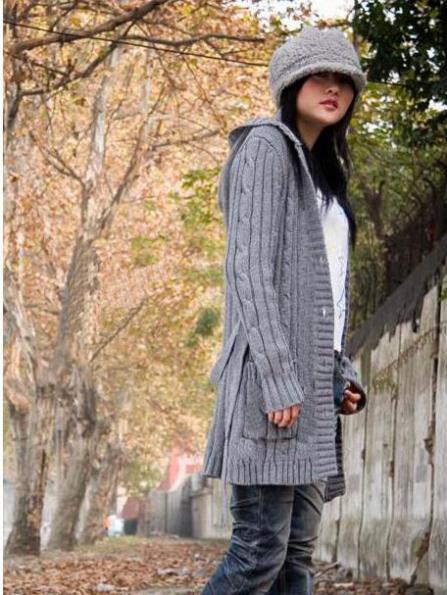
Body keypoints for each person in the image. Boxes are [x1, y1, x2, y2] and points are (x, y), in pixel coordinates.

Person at [201, 25, 369, 594]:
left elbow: (327, 293)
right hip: (271, 391)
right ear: (291, 83)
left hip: (312, 393)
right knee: (259, 553)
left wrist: (341, 375)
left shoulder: (324, 173)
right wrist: (276, 378)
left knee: (295, 557)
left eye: (344, 79)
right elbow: (248, 271)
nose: (333, 87)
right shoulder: (265, 147)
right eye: (319, 75)